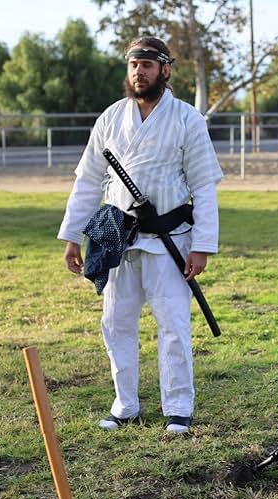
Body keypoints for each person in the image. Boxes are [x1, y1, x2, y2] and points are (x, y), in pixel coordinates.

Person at [57, 36, 222, 435]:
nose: (139, 71)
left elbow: (203, 186)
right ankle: (125, 404)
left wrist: (202, 246)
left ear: (165, 70)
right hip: (119, 240)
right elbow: (88, 181)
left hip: (170, 239)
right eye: (134, 65)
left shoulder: (187, 119)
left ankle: (178, 408)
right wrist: (73, 235)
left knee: (173, 326)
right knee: (116, 323)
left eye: (148, 64)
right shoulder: (111, 118)